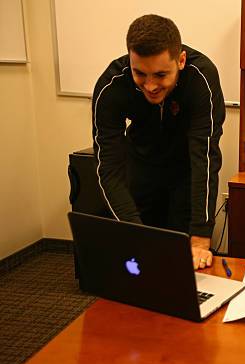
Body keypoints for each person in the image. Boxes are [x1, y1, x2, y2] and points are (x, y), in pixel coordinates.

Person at [92, 15, 225, 270]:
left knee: (179, 267)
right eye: (139, 73)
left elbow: (205, 158)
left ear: (181, 60)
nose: (150, 85)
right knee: (138, 264)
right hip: (141, 170)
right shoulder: (112, 86)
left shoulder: (201, 78)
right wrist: (135, 232)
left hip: (187, 173)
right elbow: (107, 169)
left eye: (161, 75)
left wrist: (200, 236)